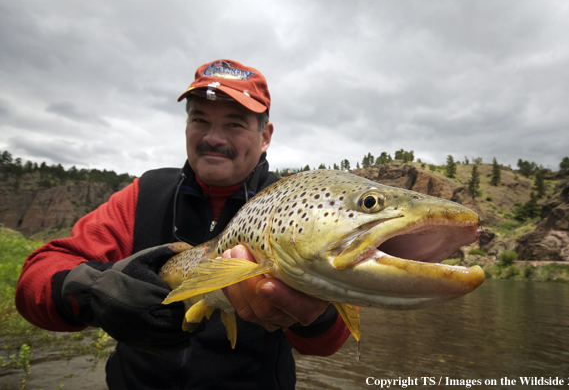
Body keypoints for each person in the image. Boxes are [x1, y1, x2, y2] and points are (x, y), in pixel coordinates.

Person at [15, 59, 351, 389]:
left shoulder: (300, 206)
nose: (214, 138)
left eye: (235, 124)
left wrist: (315, 313)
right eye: (200, 120)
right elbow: (35, 282)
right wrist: (97, 292)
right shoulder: (143, 194)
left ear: (265, 136)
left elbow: (325, 345)